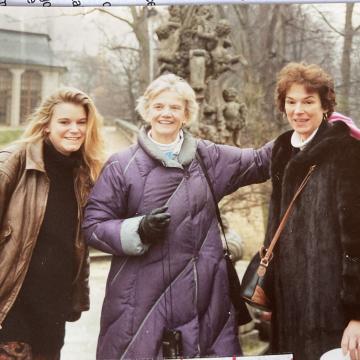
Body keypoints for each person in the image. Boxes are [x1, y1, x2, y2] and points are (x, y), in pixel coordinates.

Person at [82, 73, 273, 359]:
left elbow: (259, 161)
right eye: (158, 106)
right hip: (141, 305)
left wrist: (309, 128)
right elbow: (93, 225)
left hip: (207, 302)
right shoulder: (121, 165)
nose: (166, 113)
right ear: (147, 111)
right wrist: (137, 230)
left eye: (175, 107)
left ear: (187, 113)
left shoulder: (209, 157)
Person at [264, 62, 360, 360]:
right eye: (291, 102)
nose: (299, 111)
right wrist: (269, 294)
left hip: (333, 308)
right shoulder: (282, 149)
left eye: (308, 102)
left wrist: (357, 316)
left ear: (325, 106)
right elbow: (273, 227)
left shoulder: (346, 150)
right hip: (289, 305)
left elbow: (356, 240)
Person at [0, 87, 105, 359]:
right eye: (64, 122)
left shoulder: (84, 174)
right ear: (46, 125)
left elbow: (79, 244)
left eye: (81, 122)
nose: (75, 129)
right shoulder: (14, 161)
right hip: (11, 306)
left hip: (53, 308)